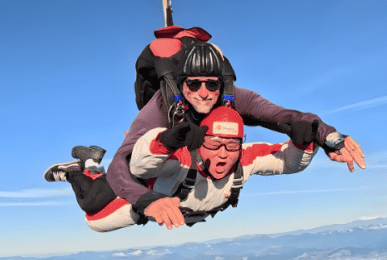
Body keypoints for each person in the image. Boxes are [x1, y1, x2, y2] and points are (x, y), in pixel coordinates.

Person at [108, 40, 366, 225]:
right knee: (99, 209)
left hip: (199, 165)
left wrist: (330, 137)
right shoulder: (161, 108)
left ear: (222, 83)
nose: (204, 92)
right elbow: (120, 164)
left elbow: (285, 118)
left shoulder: (234, 98)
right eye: (194, 84)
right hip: (164, 149)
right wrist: (146, 199)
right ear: (180, 84)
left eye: (212, 84)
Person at [45, 106, 319, 232]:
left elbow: (287, 162)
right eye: (215, 143)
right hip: (141, 188)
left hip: (170, 207)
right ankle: (81, 167)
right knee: (91, 212)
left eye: (232, 145)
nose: (224, 154)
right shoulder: (183, 157)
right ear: (201, 140)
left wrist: (302, 141)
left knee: (95, 219)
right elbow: (140, 162)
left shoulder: (244, 158)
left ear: (241, 143)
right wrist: (163, 141)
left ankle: (92, 164)